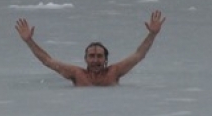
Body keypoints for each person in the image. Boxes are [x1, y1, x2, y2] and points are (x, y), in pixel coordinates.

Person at [15, 10, 165, 86]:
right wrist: (29, 41)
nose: (95, 60)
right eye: (92, 56)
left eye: (99, 56)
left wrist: (152, 34)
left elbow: (139, 55)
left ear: (106, 59)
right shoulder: (77, 74)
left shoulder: (114, 72)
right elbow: (47, 60)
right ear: (85, 59)